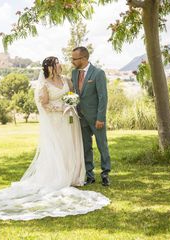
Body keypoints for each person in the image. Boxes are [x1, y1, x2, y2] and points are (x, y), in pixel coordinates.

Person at [0, 56, 110, 221]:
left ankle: (79, 175)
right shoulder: (44, 84)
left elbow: (74, 93)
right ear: (50, 67)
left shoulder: (67, 79)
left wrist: (71, 103)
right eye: (57, 63)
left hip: (70, 120)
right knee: (59, 148)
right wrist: (60, 107)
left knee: (72, 146)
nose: (61, 65)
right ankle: (62, 176)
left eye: (59, 62)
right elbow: (44, 103)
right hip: (57, 121)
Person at [71, 47, 111, 186]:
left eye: (74, 59)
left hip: (96, 118)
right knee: (86, 147)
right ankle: (90, 175)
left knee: (102, 145)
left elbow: (103, 97)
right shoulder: (74, 73)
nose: (72, 61)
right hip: (81, 118)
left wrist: (101, 118)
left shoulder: (98, 73)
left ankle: (105, 173)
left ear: (83, 59)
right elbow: (76, 94)